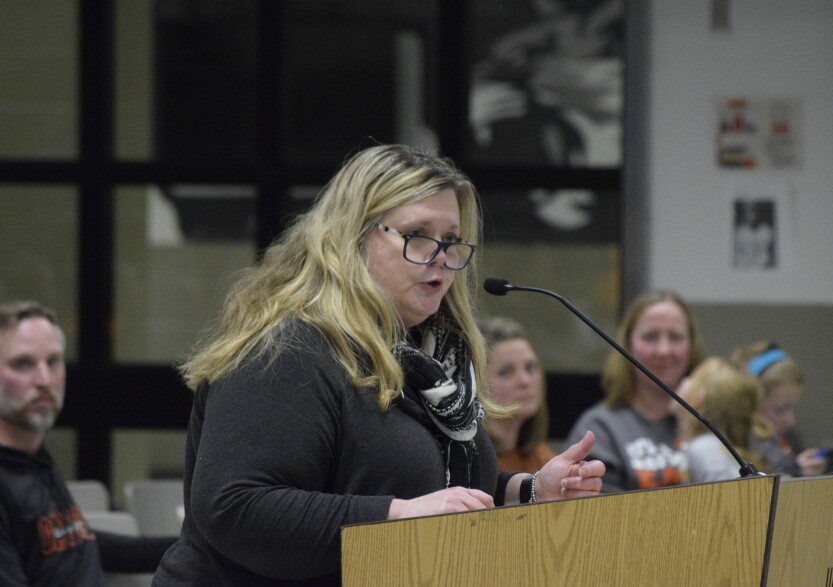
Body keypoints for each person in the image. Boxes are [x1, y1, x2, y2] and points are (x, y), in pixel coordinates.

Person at [152, 144, 606, 585]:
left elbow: (424, 486)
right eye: (417, 236)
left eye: (450, 240)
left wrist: (528, 491)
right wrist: (399, 516)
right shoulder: (287, 349)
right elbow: (234, 506)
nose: (441, 259)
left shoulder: (428, 360)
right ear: (352, 236)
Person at [0, 300, 176, 586]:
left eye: (53, 362)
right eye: (23, 364)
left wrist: (196, 548)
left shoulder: (34, 459)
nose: (44, 379)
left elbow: (79, 543)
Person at [566, 290, 704, 493]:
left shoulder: (712, 420)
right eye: (650, 337)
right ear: (628, 345)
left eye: (675, 337)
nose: (663, 350)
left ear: (691, 346)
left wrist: (693, 422)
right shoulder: (600, 428)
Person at [730, 342, 827, 477]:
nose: (790, 420)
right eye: (780, 410)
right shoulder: (737, 449)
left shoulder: (791, 439)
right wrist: (794, 470)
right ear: (750, 404)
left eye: (794, 409)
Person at [675, 357, 770, 483]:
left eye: (692, 379)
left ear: (700, 400)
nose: (685, 382)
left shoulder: (705, 449)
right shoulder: (723, 448)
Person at [481, 316, 556, 473]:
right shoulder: (473, 464)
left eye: (530, 368)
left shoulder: (539, 456)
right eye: (506, 372)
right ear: (477, 385)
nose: (525, 381)